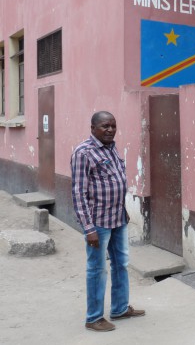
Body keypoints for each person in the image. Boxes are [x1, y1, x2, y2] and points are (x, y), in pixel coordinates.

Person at [71, 111, 145, 332]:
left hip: (118, 218)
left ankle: (120, 308)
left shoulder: (112, 148)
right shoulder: (84, 153)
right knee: (97, 268)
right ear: (93, 128)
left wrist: (124, 210)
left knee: (121, 263)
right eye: (105, 126)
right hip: (98, 222)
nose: (110, 130)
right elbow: (78, 192)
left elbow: (115, 182)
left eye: (113, 126)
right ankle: (93, 318)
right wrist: (88, 228)